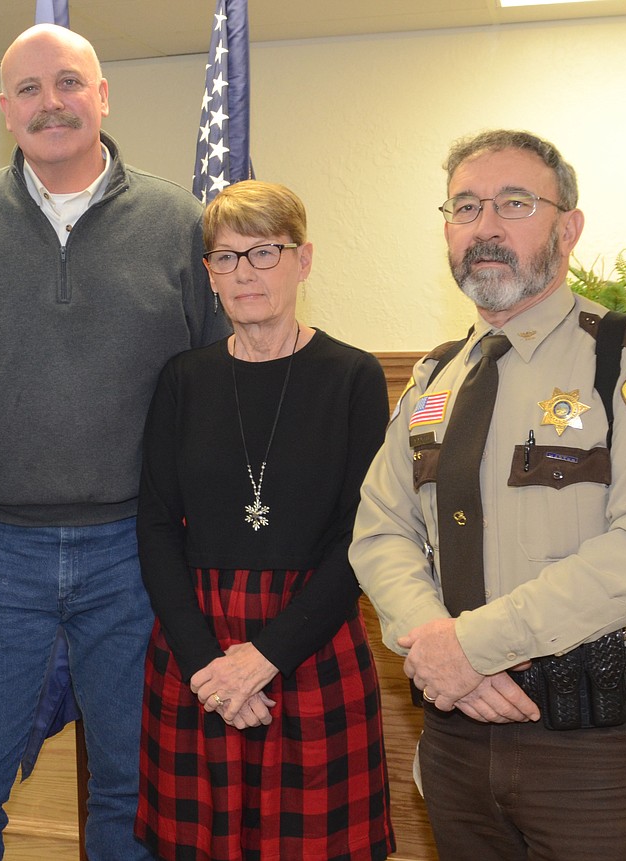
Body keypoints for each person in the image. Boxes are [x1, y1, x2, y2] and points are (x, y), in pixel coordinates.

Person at [0, 23, 228, 861]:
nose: (49, 102)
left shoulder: (179, 222)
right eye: (28, 89)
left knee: (133, 792)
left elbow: (221, 389)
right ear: (5, 110)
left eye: (68, 83)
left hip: (139, 555)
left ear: (102, 96)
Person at [350, 130, 626, 860]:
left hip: (591, 749)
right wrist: (437, 647)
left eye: (514, 202)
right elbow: (379, 529)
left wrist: (474, 646)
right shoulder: (433, 380)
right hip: (456, 737)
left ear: (568, 226)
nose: (485, 227)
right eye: (465, 206)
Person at [135, 180, 395, 860]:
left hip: (309, 642)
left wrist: (266, 656)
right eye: (225, 257)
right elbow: (157, 528)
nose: (244, 273)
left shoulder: (353, 377)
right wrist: (207, 666)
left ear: (303, 260)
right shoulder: (182, 379)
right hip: (200, 644)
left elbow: (362, 536)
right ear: (208, 274)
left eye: (264, 252)